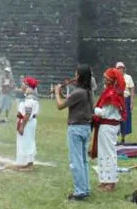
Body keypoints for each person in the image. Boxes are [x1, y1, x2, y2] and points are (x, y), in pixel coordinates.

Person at [55, 65, 93, 201]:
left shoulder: (78, 92)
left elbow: (60, 105)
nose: (74, 77)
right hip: (86, 128)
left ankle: (80, 191)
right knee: (83, 161)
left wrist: (56, 92)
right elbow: (69, 100)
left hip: (76, 129)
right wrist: (62, 93)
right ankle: (85, 188)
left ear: (80, 76)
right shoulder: (87, 92)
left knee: (76, 161)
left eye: (76, 75)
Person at [91, 68, 126, 192]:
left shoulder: (112, 94)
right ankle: (105, 179)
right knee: (103, 153)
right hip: (105, 127)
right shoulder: (110, 92)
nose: (104, 79)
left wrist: (92, 110)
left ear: (111, 80)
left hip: (108, 126)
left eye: (106, 77)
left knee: (109, 154)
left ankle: (110, 182)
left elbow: (105, 113)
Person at [16, 76, 40, 171]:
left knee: (28, 142)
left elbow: (27, 114)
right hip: (29, 122)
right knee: (27, 141)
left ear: (28, 86)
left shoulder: (30, 98)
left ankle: (30, 165)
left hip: (28, 123)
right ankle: (27, 163)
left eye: (23, 83)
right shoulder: (30, 97)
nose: (22, 85)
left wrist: (22, 126)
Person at [116, 62, 135, 143]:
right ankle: (115, 138)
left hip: (125, 99)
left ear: (124, 69)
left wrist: (131, 102)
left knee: (125, 119)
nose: (120, 70)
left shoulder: (128, 77)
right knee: (116, 118)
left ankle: (123, 138)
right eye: (118, 68)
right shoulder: (114, 77)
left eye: (122, 68)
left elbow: (132, 89)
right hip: (116, 100)